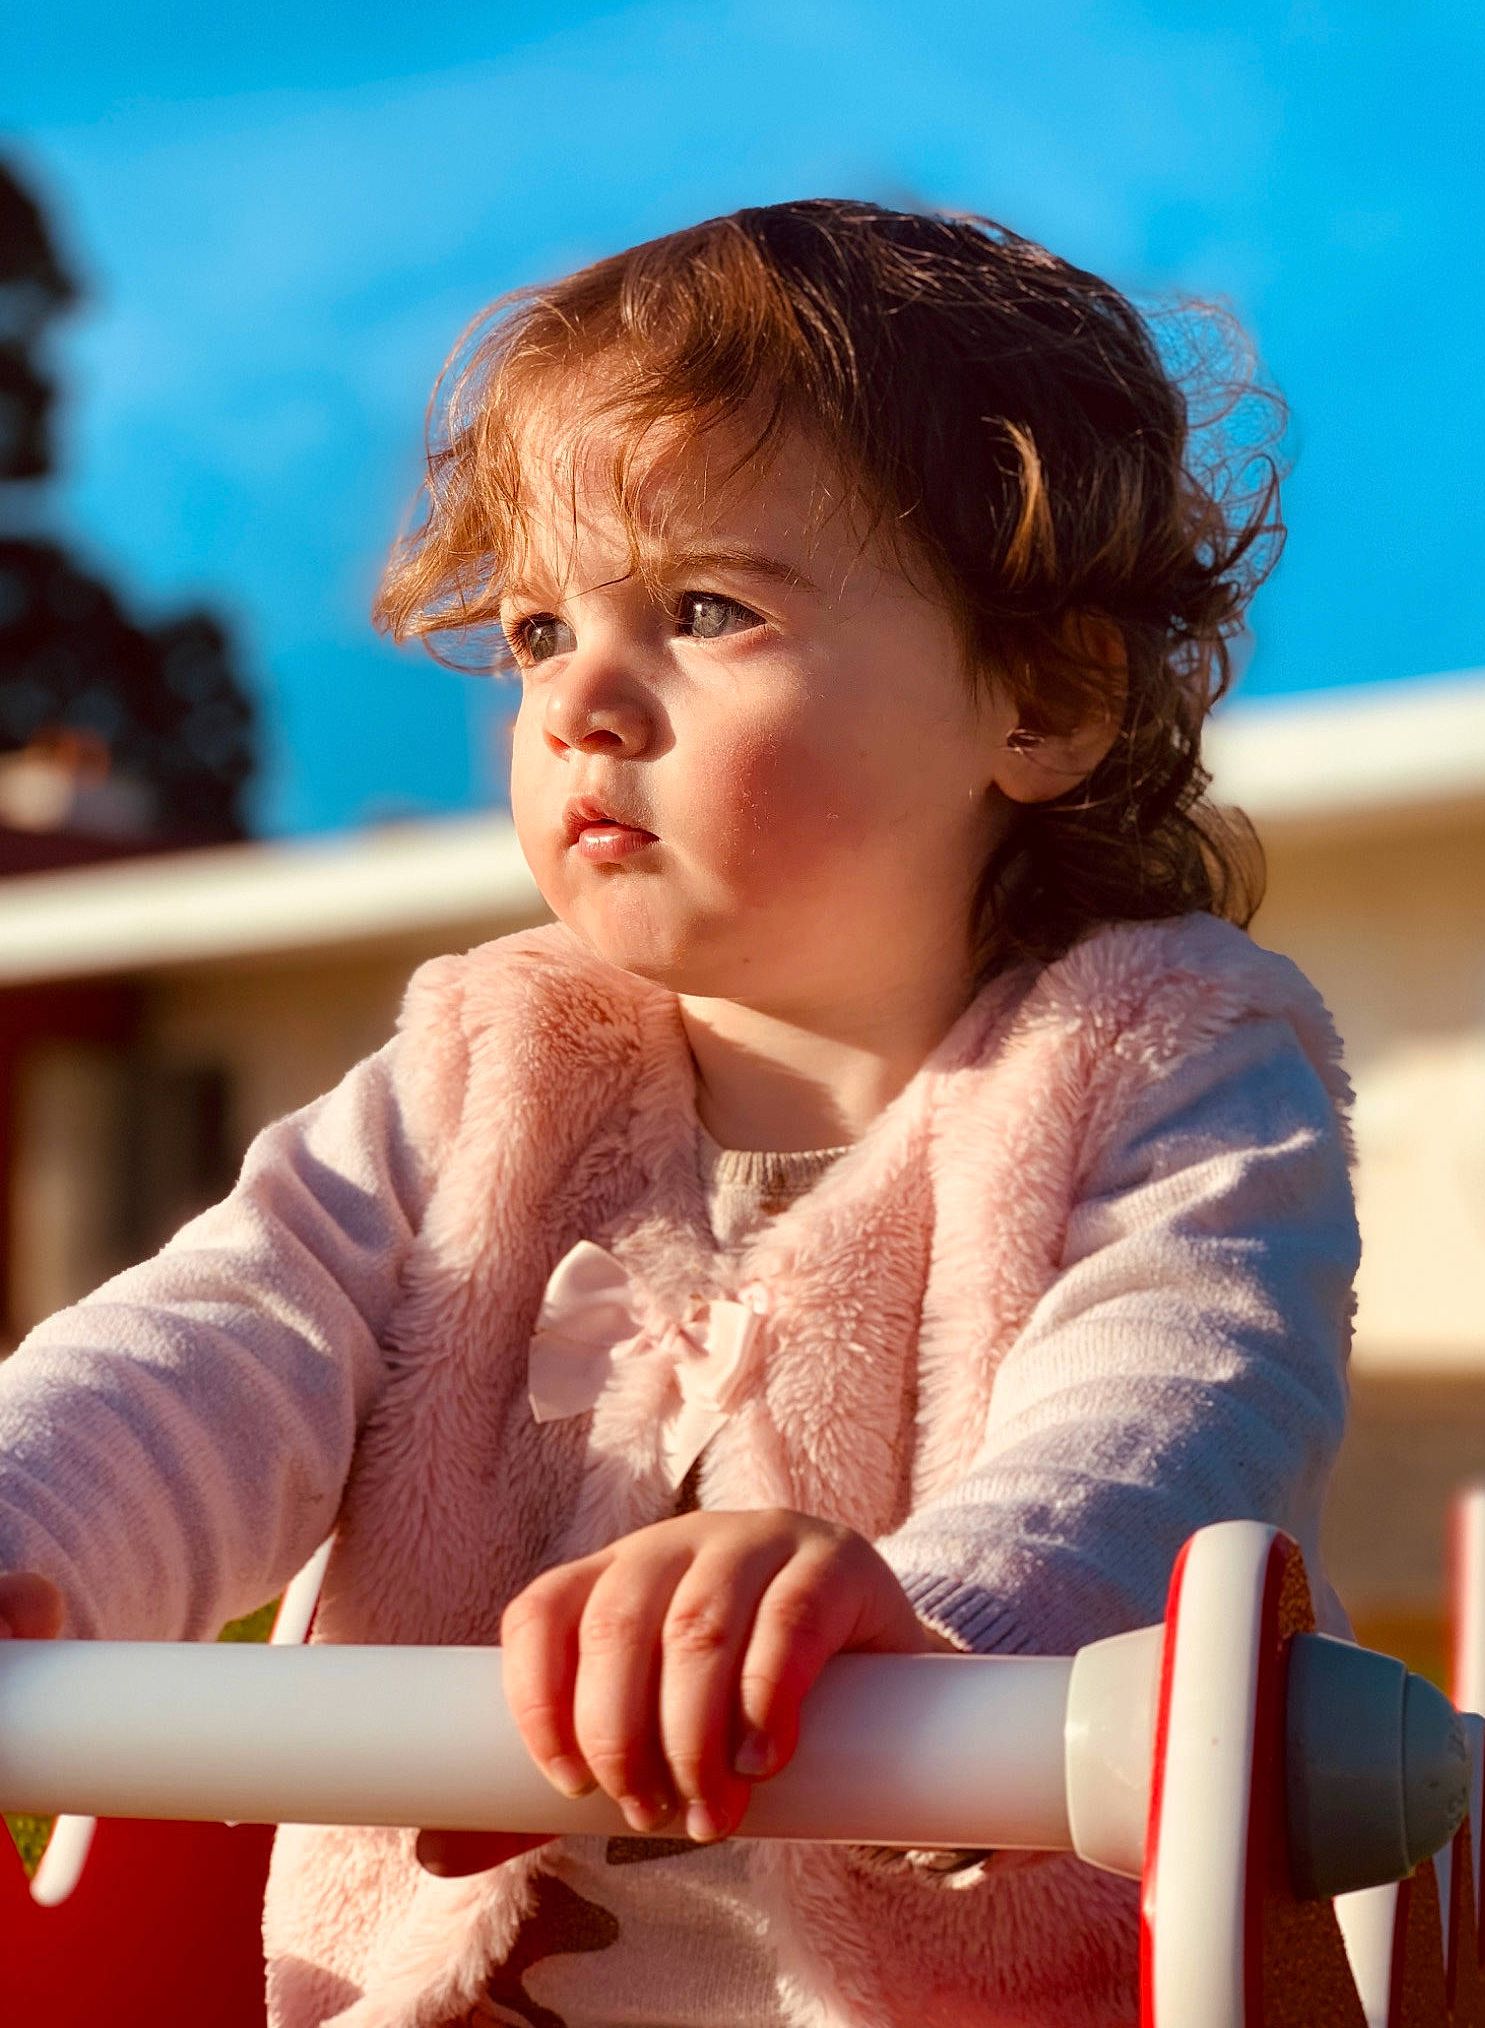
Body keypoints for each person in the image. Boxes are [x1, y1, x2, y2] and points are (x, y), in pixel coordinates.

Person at [0, 200, 1359, 2028]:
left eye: (704, 609)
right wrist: (27, 1522)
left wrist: (926, 1613)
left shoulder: (1165, 1063)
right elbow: (210, 1346)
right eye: (544, 627)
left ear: (1040, 696)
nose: (579, 704)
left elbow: (1173, 1420)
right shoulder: (487, 1071)